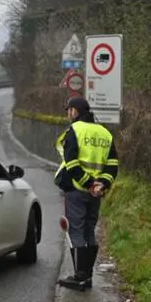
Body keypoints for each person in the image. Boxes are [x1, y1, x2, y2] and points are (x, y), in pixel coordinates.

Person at [53, 96, 119, 291]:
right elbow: (113, 164)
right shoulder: (105, 133)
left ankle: (80, 277)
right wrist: (102, 185)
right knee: (90, 230)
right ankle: (87, 277)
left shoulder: (74, 131)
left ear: (74, 111)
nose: (68, 114)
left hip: (77, 189)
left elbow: (72, 163)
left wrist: (88, 183)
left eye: (69, 111)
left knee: (76, 230)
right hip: (96, 193)